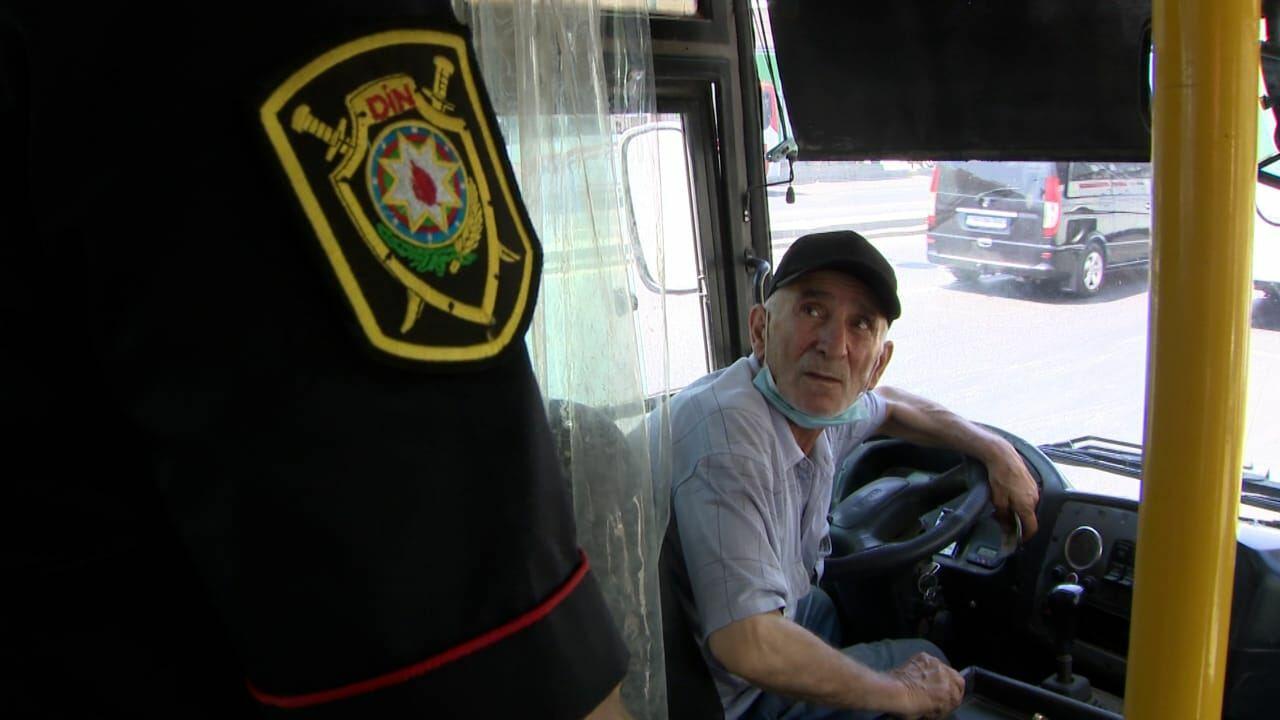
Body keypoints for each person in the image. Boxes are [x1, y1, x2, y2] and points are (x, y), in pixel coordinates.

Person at [662, 230, 1041, 719]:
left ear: (877, 363)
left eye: (860, 324)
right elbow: (748, 644)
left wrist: (996, 450)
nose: (834, 345)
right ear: (761, 330)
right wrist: (900, 690)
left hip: (725, 648)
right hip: (710, 695)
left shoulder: (823, 408)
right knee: (929, 660)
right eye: (812, 311)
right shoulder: (727, 436)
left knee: (822, 608)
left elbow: (894, 407)